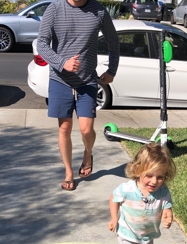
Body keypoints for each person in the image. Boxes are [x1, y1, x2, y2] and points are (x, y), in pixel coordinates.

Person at [37, 0, 120, 191]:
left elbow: (113, 42)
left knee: (86, 129)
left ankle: (87, 153)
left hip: (87, 80)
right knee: (64, 128)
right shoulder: (55, 9)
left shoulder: (98, 11)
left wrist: (112, 70)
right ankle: (68, 172)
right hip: (60, 80)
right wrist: (62, 63)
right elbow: (41, 44)